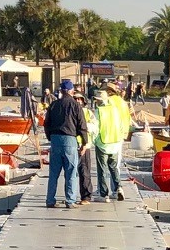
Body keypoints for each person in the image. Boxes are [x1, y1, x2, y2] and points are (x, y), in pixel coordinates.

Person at [42, 79, 85, 208]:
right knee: (71, 172)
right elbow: (82, 125)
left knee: (54, 173)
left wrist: (50, 137)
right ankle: (70, 200)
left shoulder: (54, 105)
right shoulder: (76, 105)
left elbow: (46, 123)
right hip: (70, 139)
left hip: (55, 139)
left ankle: (50, 200)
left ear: (61, 91)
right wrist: (84, 143)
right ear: (72, 91)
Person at [93, 80, 131, 201]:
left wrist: (93, 141)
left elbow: (96, 127)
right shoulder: (121, 104)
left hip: (103, 141)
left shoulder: (101, 109)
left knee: (102, 168)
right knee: (114, 167)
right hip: (117, 139)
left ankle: (103, 193)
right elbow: (125, 120)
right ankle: (117, 188)